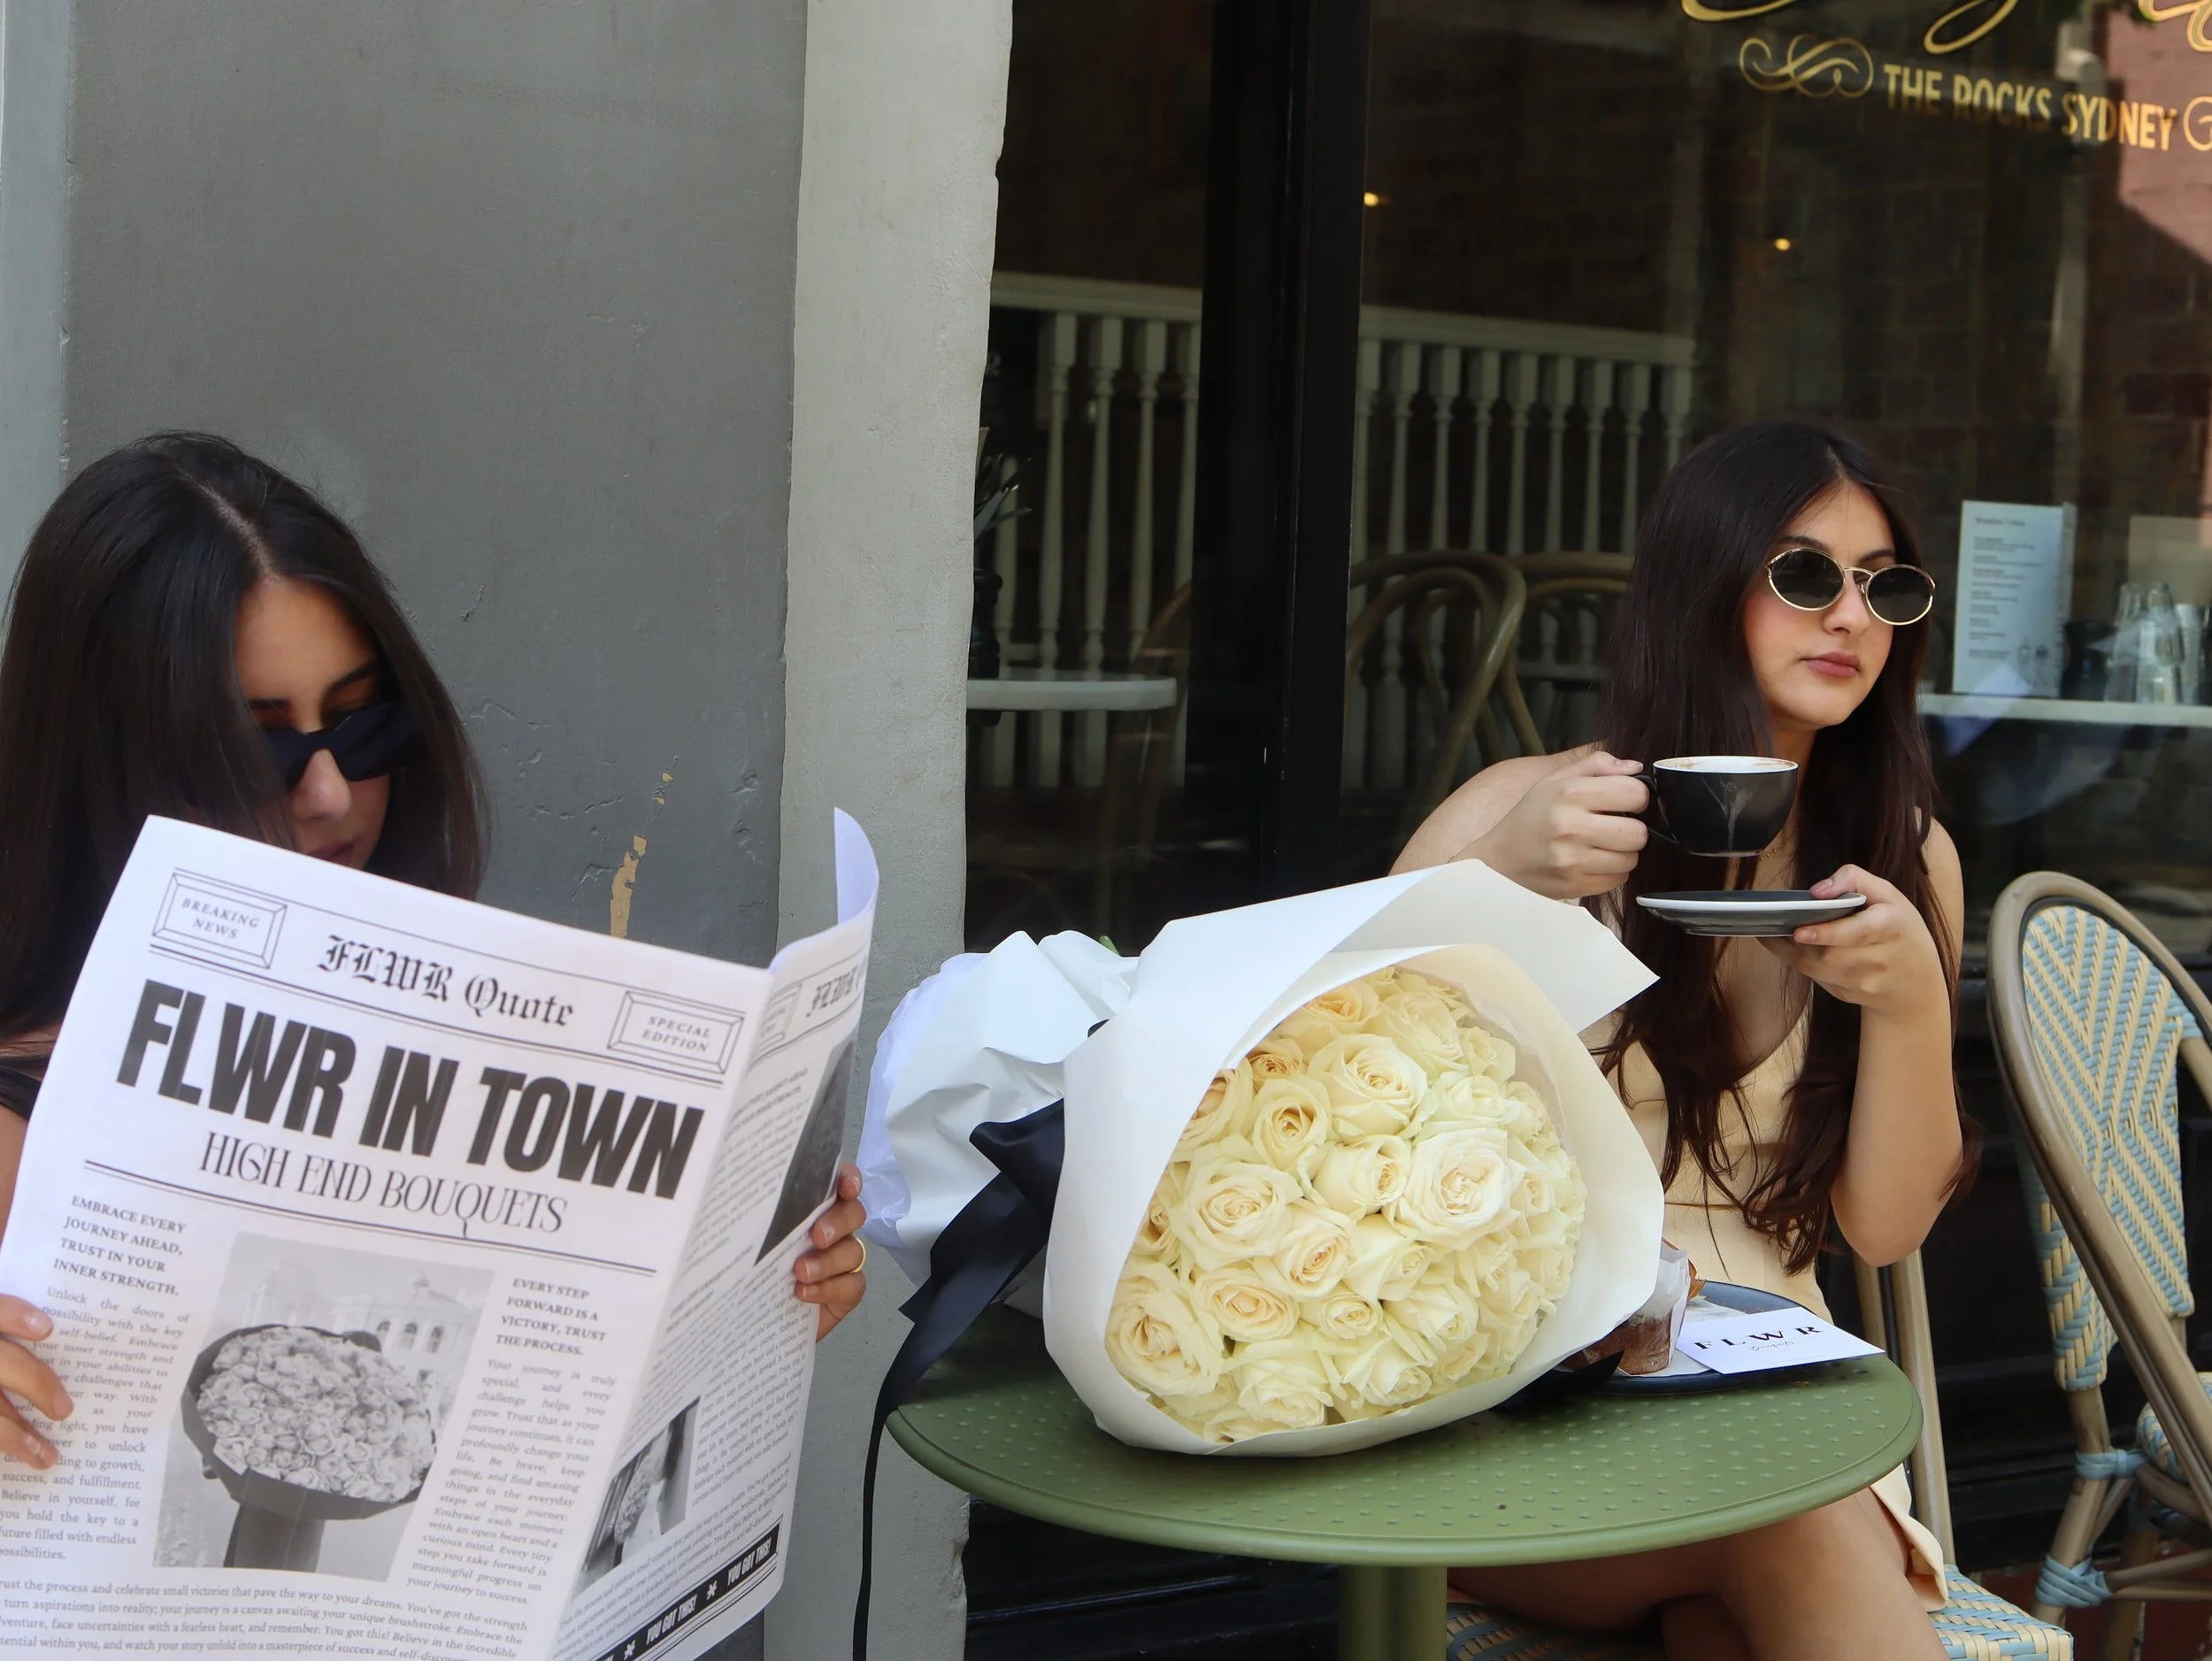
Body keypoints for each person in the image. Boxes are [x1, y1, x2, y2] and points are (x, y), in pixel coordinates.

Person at [0, 433, 869, 1471]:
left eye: (365, 727)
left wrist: (754, 1309)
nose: (327, 795)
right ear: (112, 758)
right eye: (255, 745)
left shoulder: (473, 1041)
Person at [1397, 420, 1972, 1659]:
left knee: (1731, 1614)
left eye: (1888, 586)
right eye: (1806, 574)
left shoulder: (1903, 855)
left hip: (1775, 1389)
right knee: (1792, 1526)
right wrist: (1499, 879)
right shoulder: (1527, 812)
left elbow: (1883, 1225)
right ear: (1704, 583)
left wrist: (1917, 999)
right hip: (1527, 1397)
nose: (1853, 618)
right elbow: (1354, 1084)